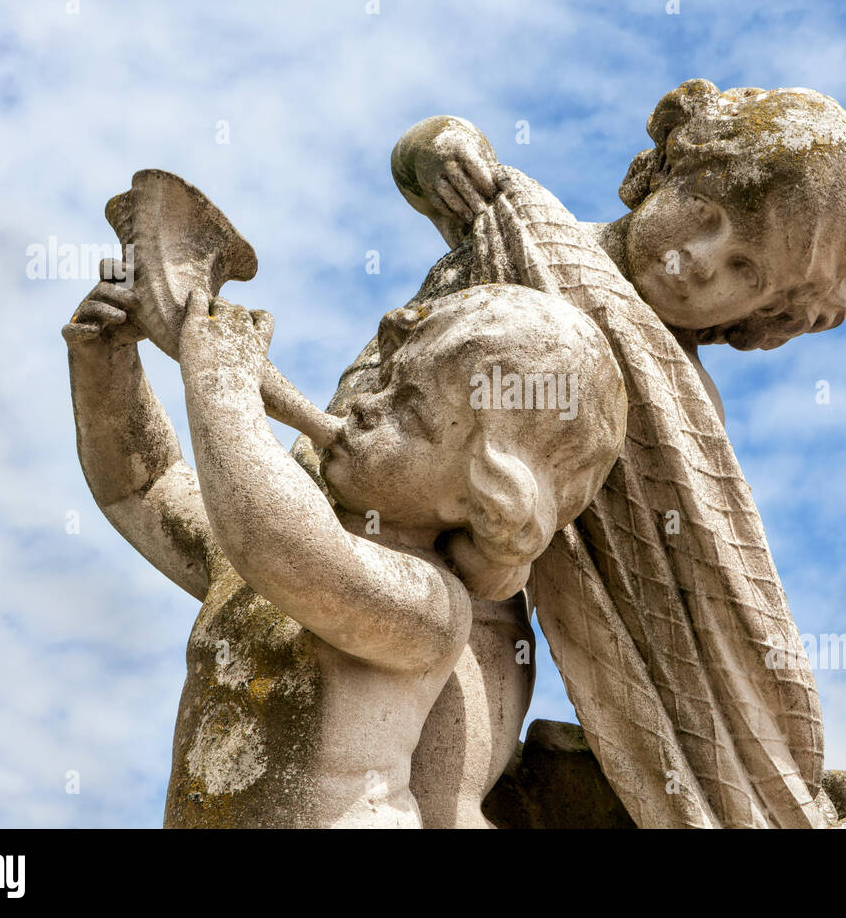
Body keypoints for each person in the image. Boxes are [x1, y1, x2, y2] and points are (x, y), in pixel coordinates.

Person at [319, 78, 846, 827]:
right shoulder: (521, 243)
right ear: (665, 170)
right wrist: (433, 150)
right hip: (377, 529)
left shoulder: (688, 407)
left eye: (745, 269)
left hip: (485, 607)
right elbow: (436, 190)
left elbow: (684, 590)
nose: (699, 259)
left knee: (447, 797)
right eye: (706, 213)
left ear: (764, 314)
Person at [64, 281, 625, 827]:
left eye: (410, 411)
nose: (366, 405)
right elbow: (143, 488)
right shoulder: (248, 560)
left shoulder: (430, 605)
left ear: (484, 495)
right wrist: (105, 364)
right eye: (384, 380)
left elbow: (281, 545)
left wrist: (224, 380)